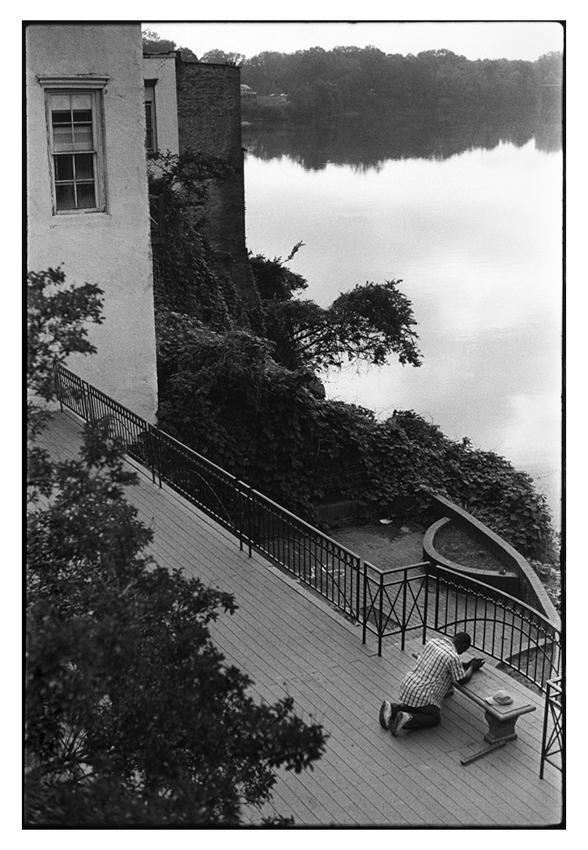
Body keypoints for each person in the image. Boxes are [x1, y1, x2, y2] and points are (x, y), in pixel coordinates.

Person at [379, 632, 485, 737]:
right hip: (423, 695)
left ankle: (392, 708)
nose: (460, 653)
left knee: (415, 706)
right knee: (434, 717)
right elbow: (462, 679)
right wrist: (472, 668)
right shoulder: (453, 657)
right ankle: (408, 720)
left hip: (409, 685)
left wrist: (465, 664)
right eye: (463, 651)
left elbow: (446, 662)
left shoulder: (433, 642)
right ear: (463, 645)